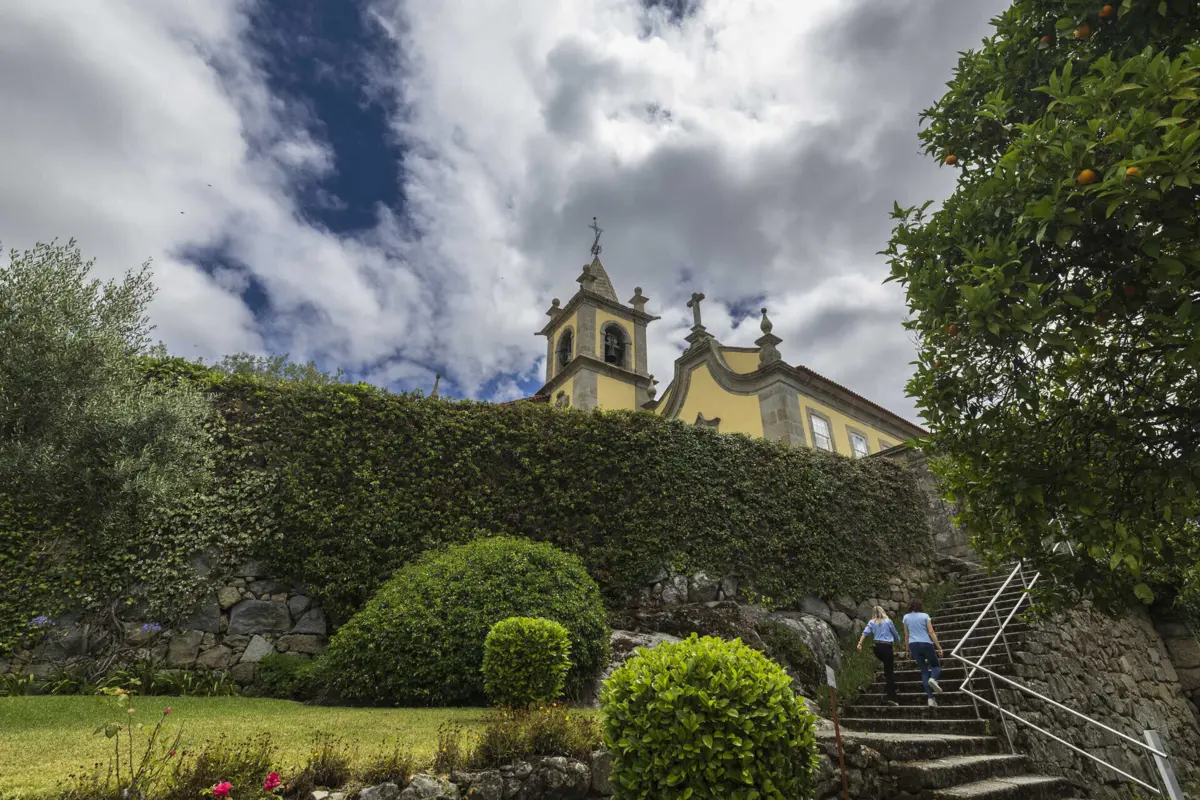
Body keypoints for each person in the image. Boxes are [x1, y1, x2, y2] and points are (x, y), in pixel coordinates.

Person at [902, 599, 945, 707]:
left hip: (913, 645)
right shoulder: (925, 616)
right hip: (926, 643)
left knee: (924, 671)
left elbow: (906, 635)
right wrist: (939, 647)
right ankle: (933, 679)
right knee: (936, 666)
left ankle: (930, 699)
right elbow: (931, 632)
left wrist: (907, 650)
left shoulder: (906, 617)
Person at [857, 605, 900, 705]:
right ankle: (891, 696)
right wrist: (898, 642)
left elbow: (865, 633)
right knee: (889, 671)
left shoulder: (872, 622)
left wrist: (860, 643)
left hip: (877, 648)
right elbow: (895, 634)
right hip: (886, 647)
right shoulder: (888, 621)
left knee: (887, 667)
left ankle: (893, 686)